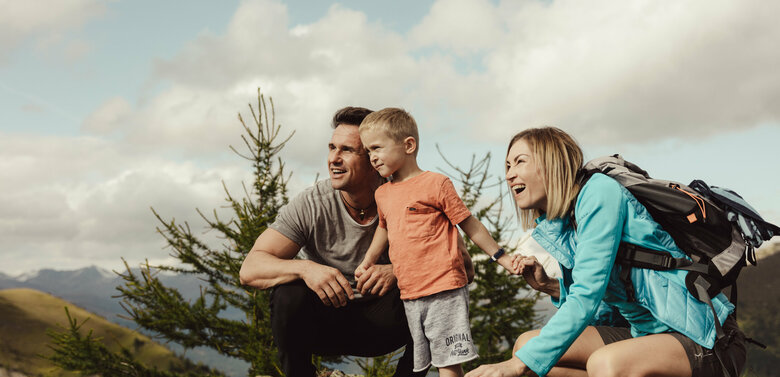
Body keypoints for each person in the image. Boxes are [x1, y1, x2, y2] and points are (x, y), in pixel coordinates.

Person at [466, 127, 746, 377]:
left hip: (703, 336)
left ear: (551, 162)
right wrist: (549, 286)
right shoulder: (567, 222)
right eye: (507, 165)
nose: (509, 174)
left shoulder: (598, 193)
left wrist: (517, 365)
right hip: (644, 334)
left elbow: (587, 295)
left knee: (603, 363)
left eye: (520, 161)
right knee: (527, 346)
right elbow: (604, 307)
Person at [239, 107, 454, 377]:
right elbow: (250, 269)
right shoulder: (312, 203)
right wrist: (305, 269)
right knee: (288, 293)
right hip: (326, 321)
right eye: (332, 148)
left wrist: (397, 271)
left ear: (374, 159)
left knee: (438, 291)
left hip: (385, 324)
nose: (334, 159)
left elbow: (459, 266)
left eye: (347, 150)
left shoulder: (413, 198)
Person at [355, 108, 520, 377]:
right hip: (410, 291)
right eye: (367, 151)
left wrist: (501, 257)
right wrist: (368, 261)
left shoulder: (436, 184)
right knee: (427, 359)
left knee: (448, 361)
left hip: (444, 286)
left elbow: (469, 224)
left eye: (376, 148)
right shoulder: (382, 193)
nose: (372, 157)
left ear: (408, 145)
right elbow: (384, 229)